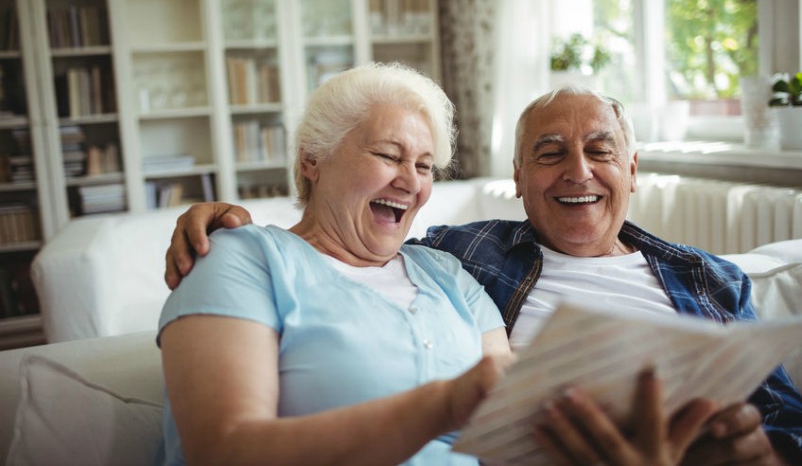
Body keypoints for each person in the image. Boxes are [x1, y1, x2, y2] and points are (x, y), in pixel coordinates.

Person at [164, 85, 799, 464]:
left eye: (600, 151)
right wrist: (223, 223)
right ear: (516, 180)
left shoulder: (711, 280)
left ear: (632, 169)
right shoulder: (473, 256)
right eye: (550, 155)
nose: (578, 171)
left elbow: (787, 422)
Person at [156, 62, 514, 465]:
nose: (411, 182)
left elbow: (510, 430)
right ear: (312, 159)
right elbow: (222, 450)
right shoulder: (242, 259)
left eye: (424, 166)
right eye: (388, 155)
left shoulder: (449, 276)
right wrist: (442, 405)